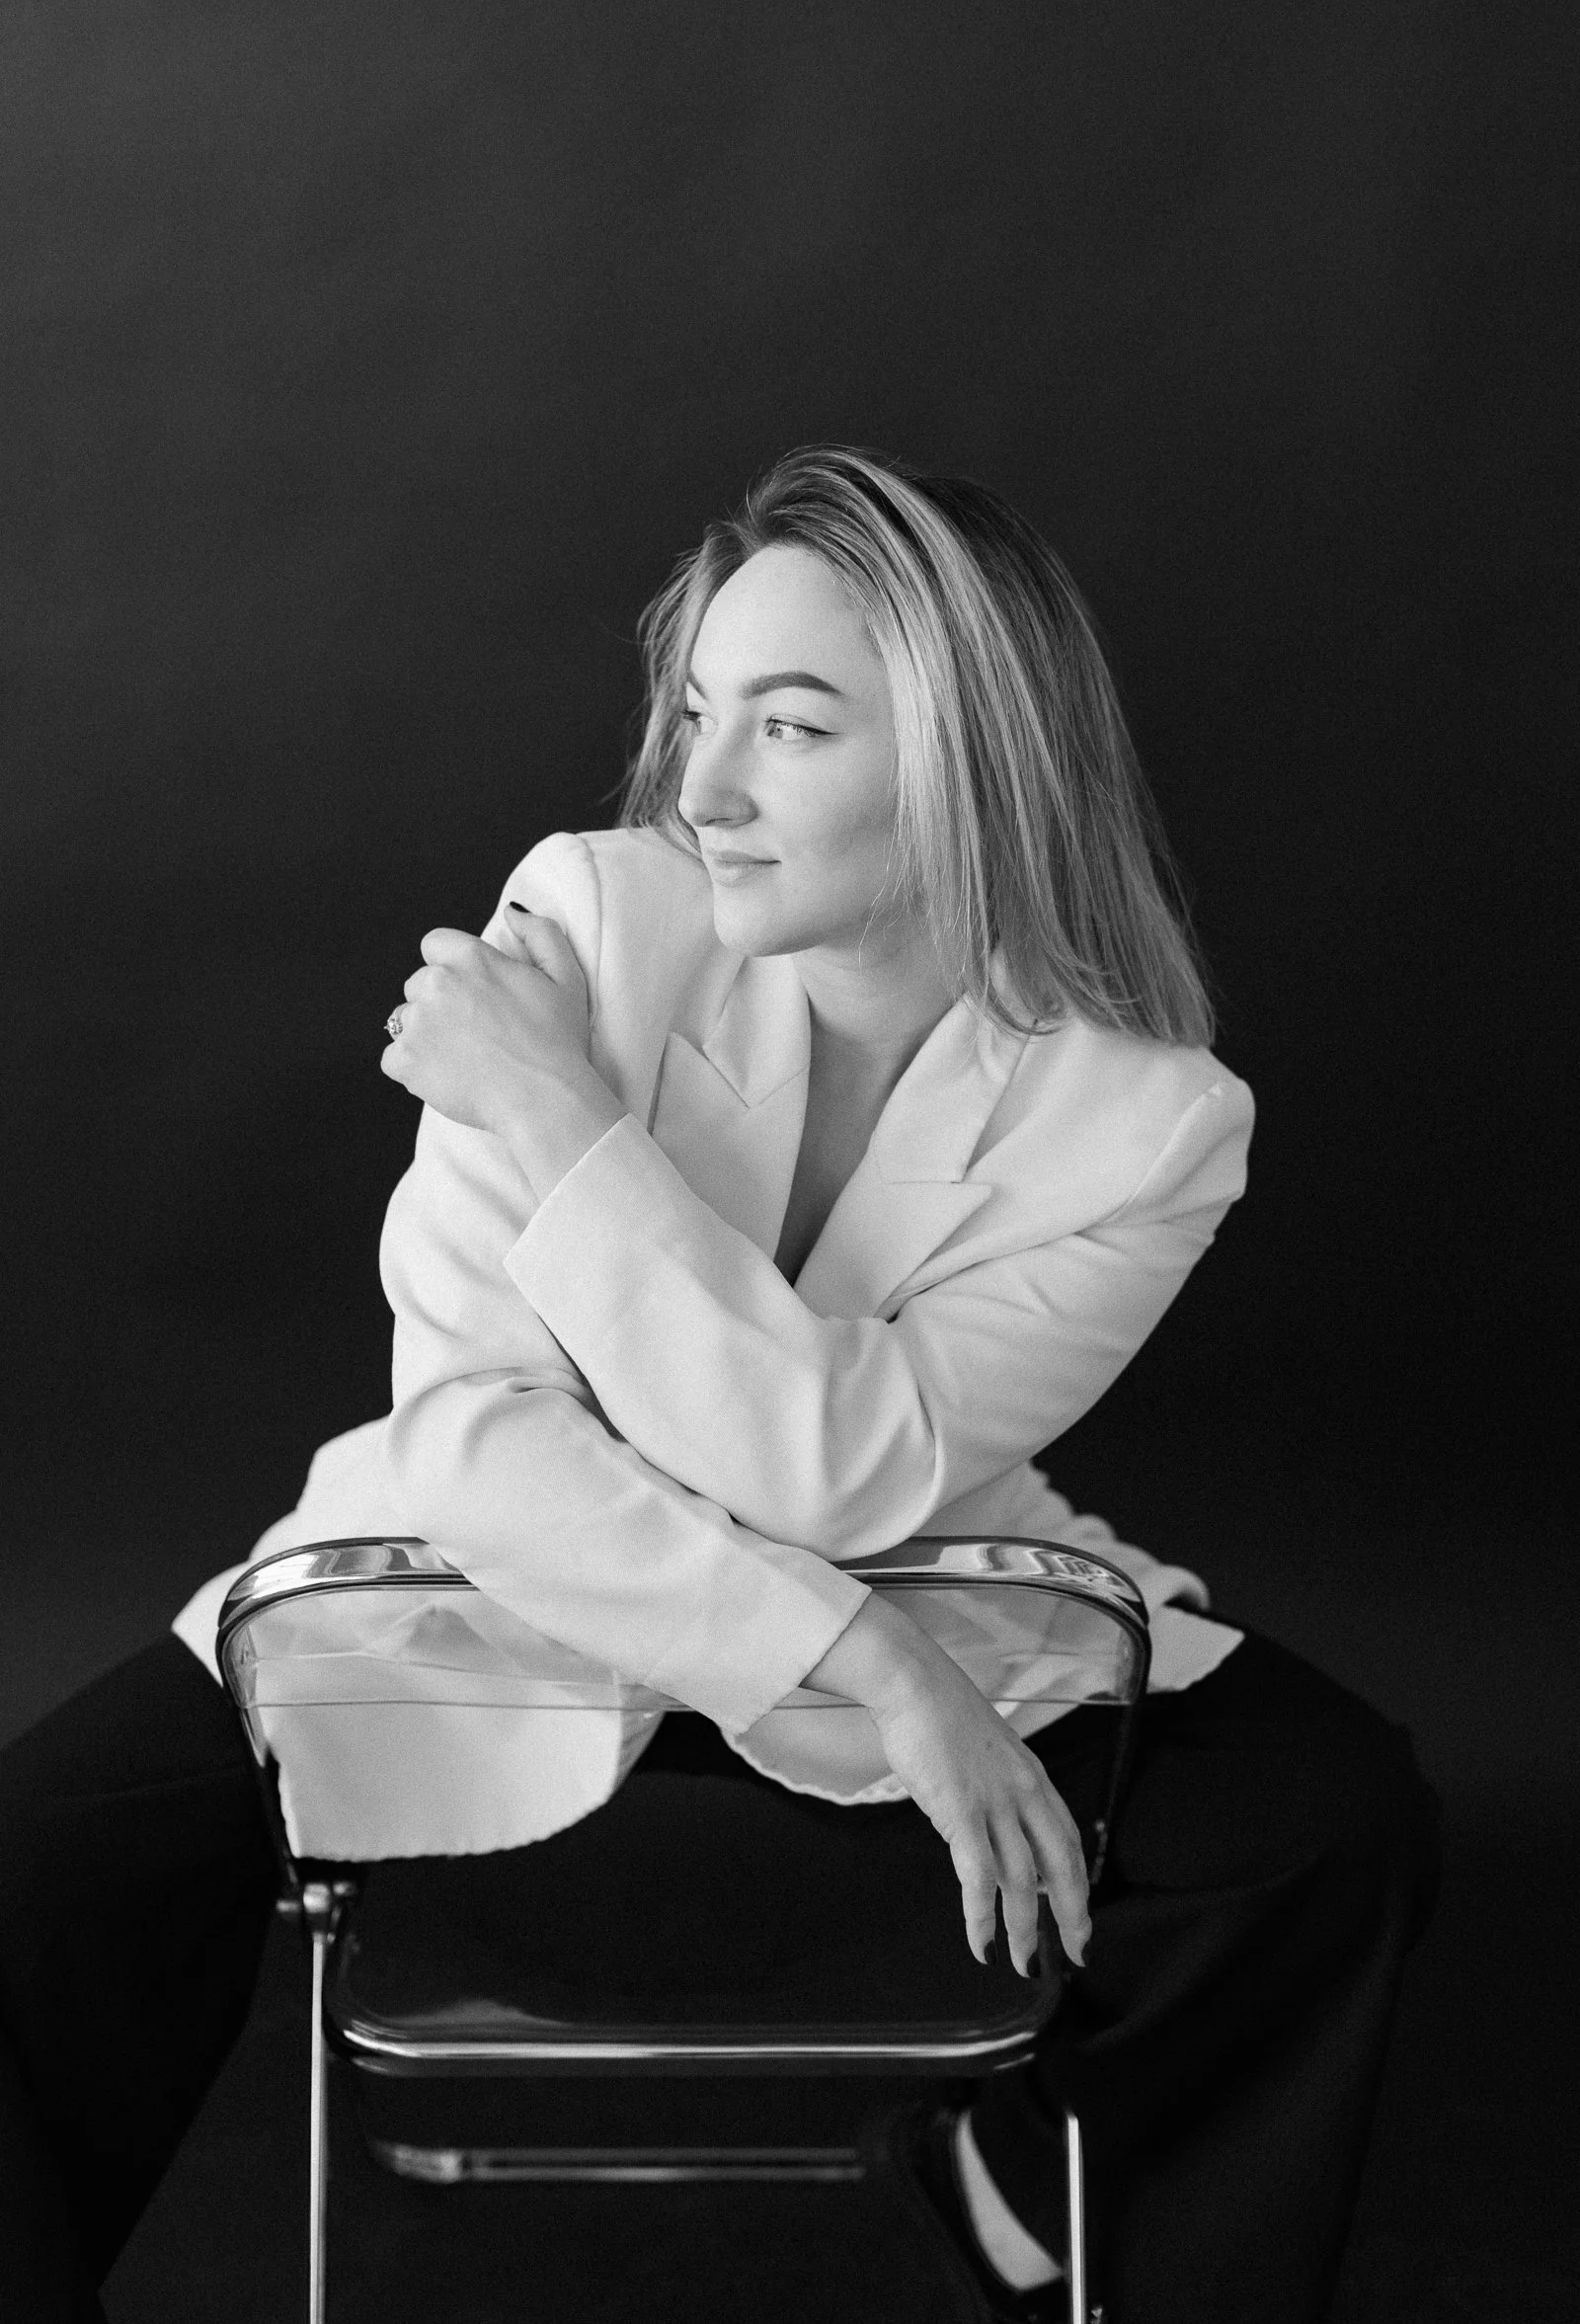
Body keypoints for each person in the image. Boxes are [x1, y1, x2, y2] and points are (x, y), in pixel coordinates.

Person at [0, 447, 1438, 2324]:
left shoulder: (1146, 1121)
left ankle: (1026, 2189)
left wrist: (559, 1112)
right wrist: (872, 1662)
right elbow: (476, 1450)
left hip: (933, 1577)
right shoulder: (588, 920)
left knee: (1333, 1818)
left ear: (966, 761)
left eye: (793, 725)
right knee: (28, 1874)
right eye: (696, 713)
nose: (703, 790)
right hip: (487, 1597)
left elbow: (852, 1477)